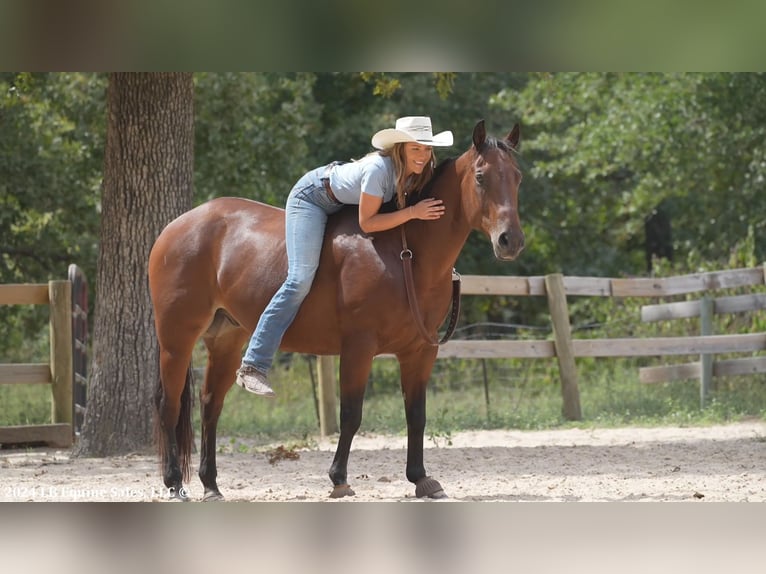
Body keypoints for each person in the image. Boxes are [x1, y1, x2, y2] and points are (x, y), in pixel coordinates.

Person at [235, 116, 454, 396]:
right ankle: (253, 364)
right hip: (313, 197)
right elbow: (368, 223)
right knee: (300, 279)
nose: (422, 156)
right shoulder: (378, 170)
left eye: (426, 149)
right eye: (415, 149)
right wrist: (413, 212)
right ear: (400, 149)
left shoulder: (423, 169)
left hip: (345, 201)